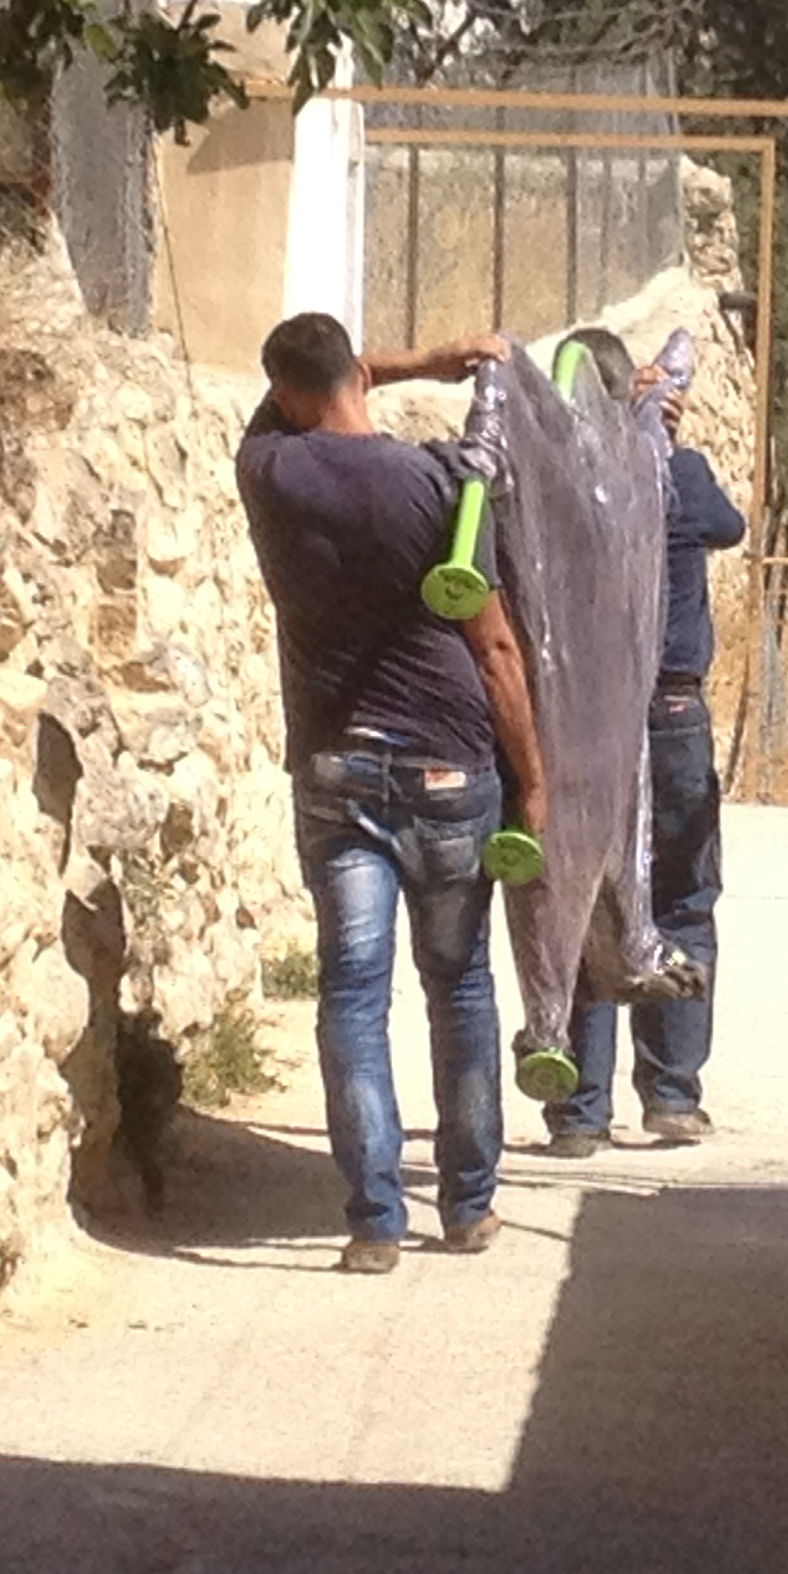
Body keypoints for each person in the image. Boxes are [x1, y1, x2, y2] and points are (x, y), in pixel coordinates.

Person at [235, 313, 546, 1274]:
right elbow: (494, 647)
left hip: (335, 771)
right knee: (458, 986)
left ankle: (373, 1224)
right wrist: (531, 783)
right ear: (359, 384)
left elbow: (302, 394)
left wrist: (412, 359)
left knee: (352, 996)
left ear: (286, 392)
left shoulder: (269, 474)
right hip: (451, 765)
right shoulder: (442, 486)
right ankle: (467, 1206)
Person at [546, 351, 748, 1156]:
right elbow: (728, 527)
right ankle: (669, 1094)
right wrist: (660, 443)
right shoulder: (679, 474)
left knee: (587, 902)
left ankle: (579, 1111)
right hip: (670, 711)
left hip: (586, 714)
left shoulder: (561, 480)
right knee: (681, 900)